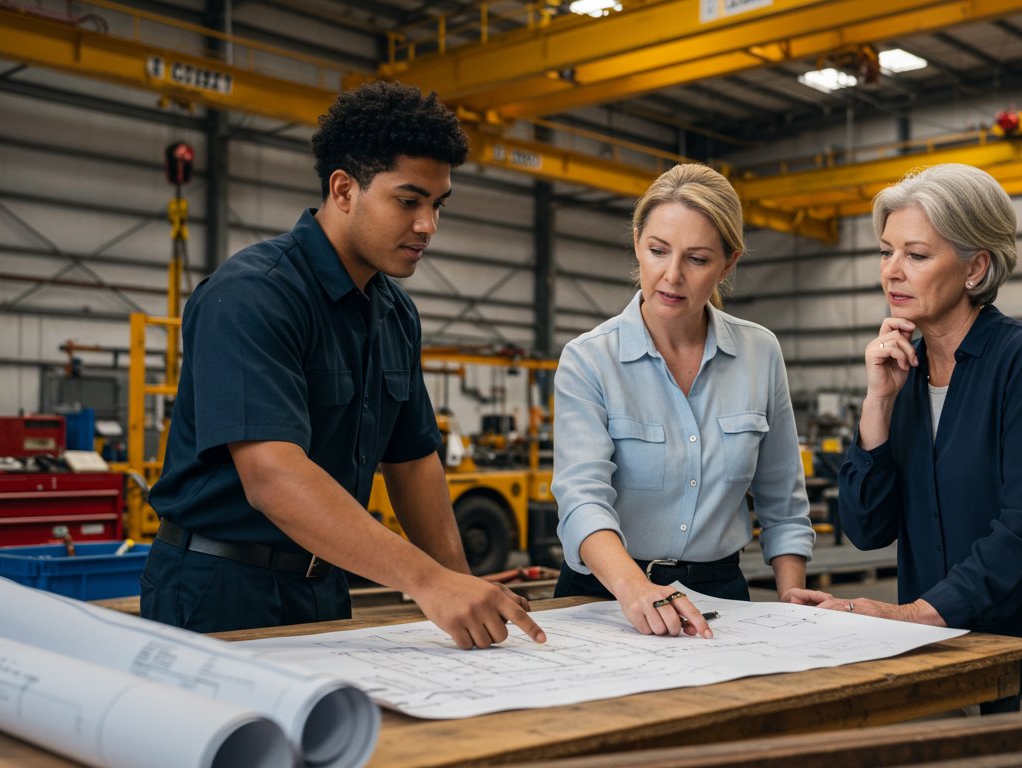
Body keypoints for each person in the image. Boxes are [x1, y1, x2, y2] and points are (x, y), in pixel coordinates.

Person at [141, 81, 545, 649]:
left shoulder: (394, 312)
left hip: (324, 585)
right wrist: (428, 581)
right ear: (344, 189)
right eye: (409, 201)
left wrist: (461, 583)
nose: (428, 225)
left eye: (437, 205)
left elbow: (413, 463)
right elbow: (273, 476)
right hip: (219, 589)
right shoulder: (253, 294)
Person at [785, 164, 1022, 709]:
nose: (892, 271)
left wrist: (907, 616)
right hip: (946, 658)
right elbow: (866, 529)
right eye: (886, 252)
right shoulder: (904, 374)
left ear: (975, 267)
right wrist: (878, 402)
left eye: (916, 255)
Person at [551, 163, 815, 639]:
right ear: (637, 241)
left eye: (696, 259)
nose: (671, 276)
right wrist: (635, 589)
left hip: (721, 593)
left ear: (728, 263)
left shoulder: (759, 352)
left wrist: (792, 598)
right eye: (657, 251)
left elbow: (783, 501)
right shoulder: (589, 359)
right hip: (606, 594)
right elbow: (581, 500)